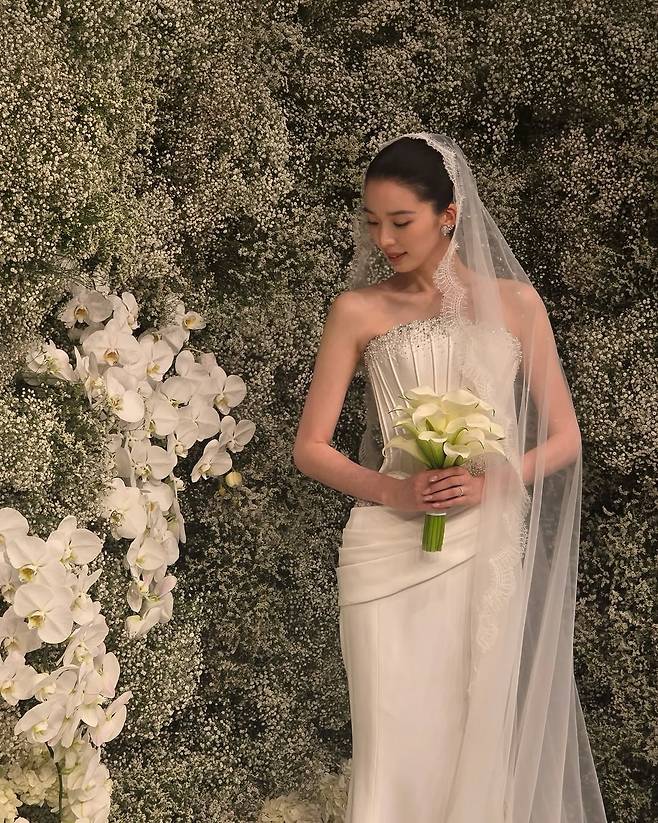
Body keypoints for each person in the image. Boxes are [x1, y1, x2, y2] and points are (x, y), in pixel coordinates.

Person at [293, 133, 608, 822]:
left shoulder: (517, 305)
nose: (384, 239)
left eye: (400, 221)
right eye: (373, 222)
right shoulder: (357, 311)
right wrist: (394, 491)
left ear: (448, 214)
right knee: (391, 751)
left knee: (473, 741)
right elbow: (310, 448)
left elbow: (565, 437)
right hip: (385, 551)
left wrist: (496, 483)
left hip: (479, 550)